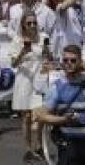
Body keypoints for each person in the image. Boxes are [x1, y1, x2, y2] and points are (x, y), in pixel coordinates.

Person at [10, 9, 53, 161]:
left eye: (34, 22)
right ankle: (28, 149)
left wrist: (47, 52)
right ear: (23, 25)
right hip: (24, 80)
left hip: (39, 79)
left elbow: (50, 58)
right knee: (26, 117)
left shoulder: (44, 38)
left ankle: (39, 146)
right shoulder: (17, 40)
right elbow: (13, 64)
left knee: (40, 114)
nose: (33, 25)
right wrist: (23, 51)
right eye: (29, 23)